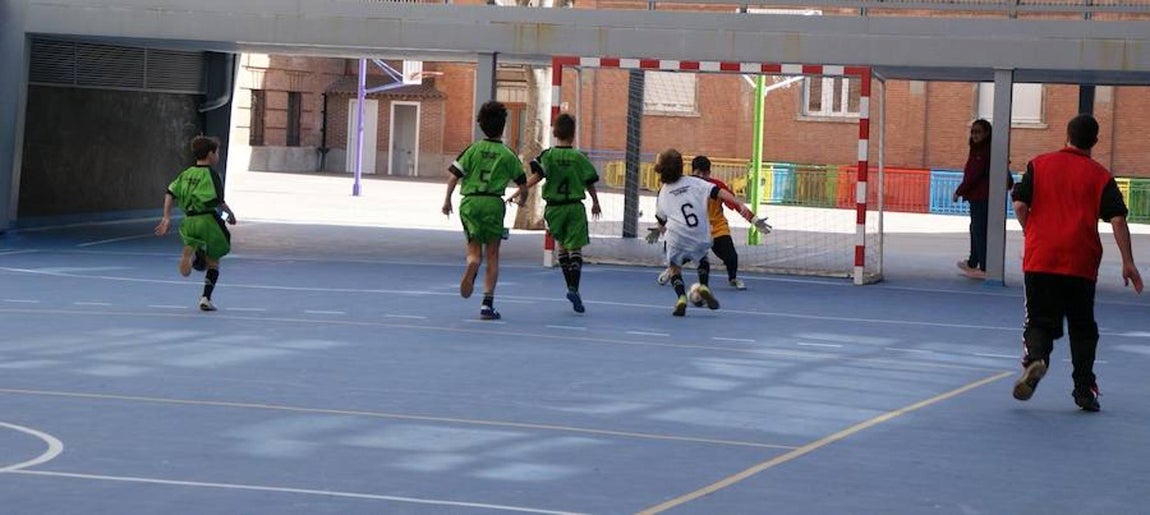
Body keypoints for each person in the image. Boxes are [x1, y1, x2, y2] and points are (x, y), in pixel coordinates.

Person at [1010, 114, 1143, 412]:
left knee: (1039, 321)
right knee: (1083, 327)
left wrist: (1031, 230)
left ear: (1066, 135)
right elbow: (1118, 219)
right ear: (1094, 142)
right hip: (1080, 261)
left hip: (1041, 257)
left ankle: (1037, 359)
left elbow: (1019, 202)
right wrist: (1128, 262)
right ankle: (1084, 390)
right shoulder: (1100, 176)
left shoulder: (1039, 164)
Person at [649, 149, 770, 316]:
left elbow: (662, 220)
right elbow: (726, 197)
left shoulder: (663, 192)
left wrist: (658, 230)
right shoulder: (697, 183)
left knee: (675, 265)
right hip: (702, 232)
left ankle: (681, 298)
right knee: (702, 258)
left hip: (683, 233)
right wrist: (753, 218)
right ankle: (704, 286)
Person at [443, 100, 528, 320]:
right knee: (493, 255)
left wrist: (447, 201)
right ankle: (487, 305)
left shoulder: (473, 149)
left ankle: (472, 263)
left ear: (481, 125)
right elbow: (523, 184)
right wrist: (522, 200)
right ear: (503, 126)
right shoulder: (507, 154)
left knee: (474, 250)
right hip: (493, 204)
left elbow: (454, 176)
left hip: (470, 203)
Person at [514, 113, 602, 313]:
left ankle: (569, 286)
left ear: (555, 133)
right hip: (574, 207)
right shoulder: (579, 157)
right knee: (576, 250)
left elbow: (536, 177)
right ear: (573, 134)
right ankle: (574, 288)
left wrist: (520, 190)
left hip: (554, 208)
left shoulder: (548, 156)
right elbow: (589, 182)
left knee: (561, 249)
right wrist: (595, 202)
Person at [154, 135, 237, 312]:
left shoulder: (186, 174)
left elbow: (170, 192)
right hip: (207, 219)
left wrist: (166, 217)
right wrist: (229, 215)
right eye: (217, 152)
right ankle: (206, 298)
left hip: (188, 221)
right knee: (216, 256)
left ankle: (193, 253)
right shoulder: (212, 175)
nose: (218, 156)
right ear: (210, 154)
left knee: (196, 244)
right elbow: (218, 202)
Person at [657, 155, 752, 290]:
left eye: (703, 173)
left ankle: (733, 278)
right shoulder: (685, 185)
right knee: (688, 252)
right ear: (693, 171)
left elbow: (734, 203)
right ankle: (672, 271)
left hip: (717, 228)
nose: (701, 176)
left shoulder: (715, 185)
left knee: (731, 256)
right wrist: (661, 227)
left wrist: (752, 218)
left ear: (708, 173)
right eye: (698, 173)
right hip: (697, 228)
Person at [952, 119, 1012, 280]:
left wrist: (959, 191)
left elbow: (974, 175)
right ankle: (973, 261)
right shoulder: (979, 149)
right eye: (973, 132)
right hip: (979, 197)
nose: (974, 135)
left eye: (978, 132)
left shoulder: (983, 152)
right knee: (975, 228)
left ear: (987, 133)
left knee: (979, 230)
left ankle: (985, 266)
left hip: (982, 197)